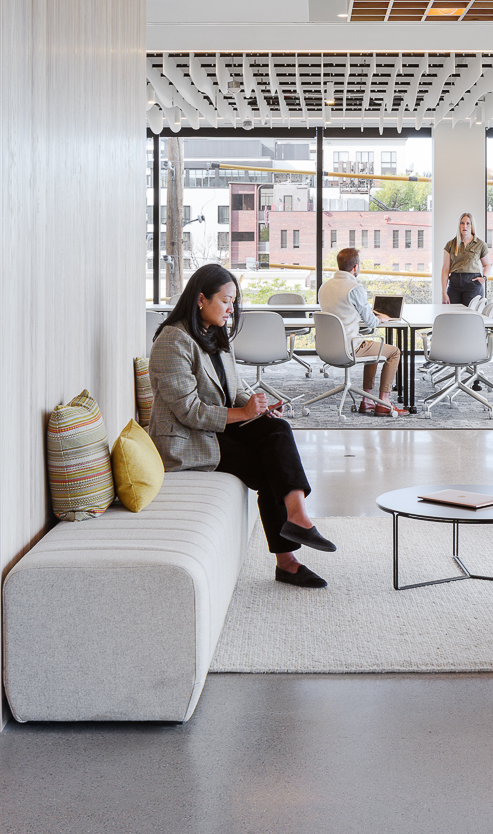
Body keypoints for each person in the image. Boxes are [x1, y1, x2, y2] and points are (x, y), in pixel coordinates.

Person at [148, 264, 336, 588]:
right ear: (201, 299)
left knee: (277, 430)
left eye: (233, 302)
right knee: (267, 465)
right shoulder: (172, 341)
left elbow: (233, 390)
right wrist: (244, 413)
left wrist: (258, 408)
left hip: (214, 428)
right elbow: (189, 412)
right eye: (225, 301)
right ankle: (287, 560)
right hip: (186, 440)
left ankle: (298, 517)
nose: (231, 309)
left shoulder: (215, 333)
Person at [316, 247, 405, 416]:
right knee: (394, 352)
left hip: (327, 348)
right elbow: (371, 323)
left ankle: (367, 400)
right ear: (355, 267)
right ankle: (384, 401)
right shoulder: (354, 288)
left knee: (372, 346)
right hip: (349, 347)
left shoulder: (324, 287)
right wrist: (380, 318)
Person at [443, 212, 490, 307]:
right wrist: (444, 292)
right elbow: (445, 269)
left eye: (468, 223)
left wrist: (484, 277)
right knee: (452, 313)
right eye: (462, 223)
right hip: (454, 285)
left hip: (472, 284)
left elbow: (487, 265)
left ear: (472, 225)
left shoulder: (480, 244)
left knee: (470, 314)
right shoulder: (450, 244)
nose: (465, 226)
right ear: (459, 225)